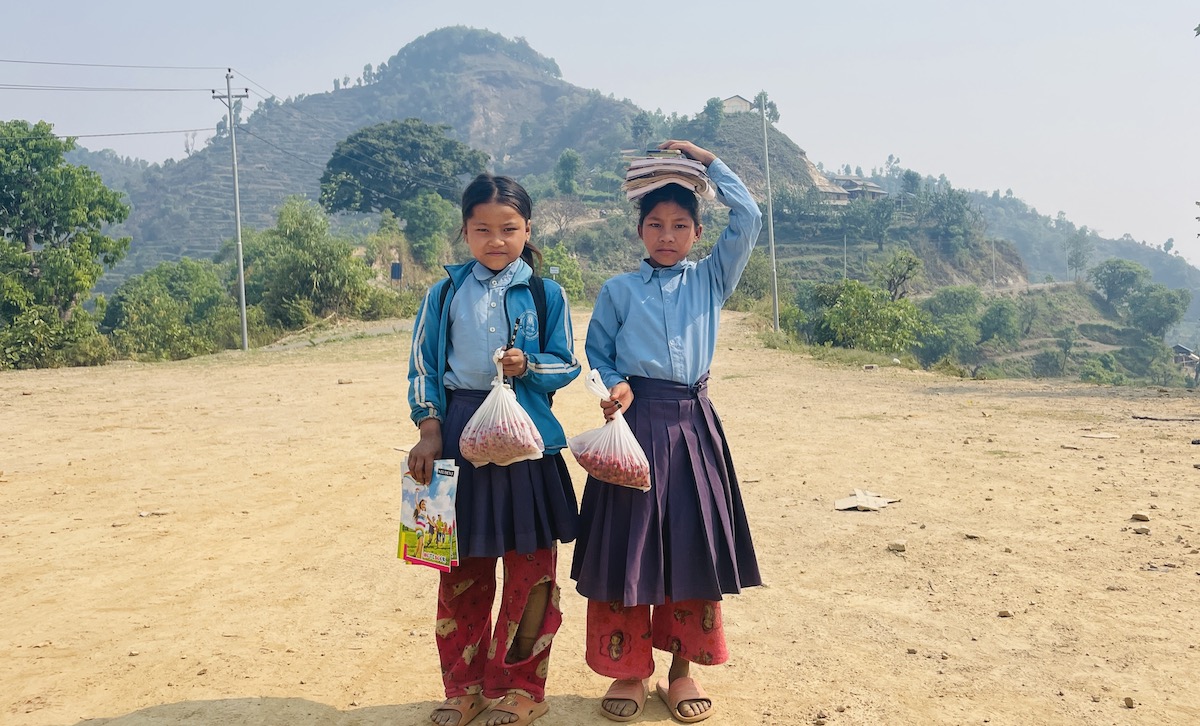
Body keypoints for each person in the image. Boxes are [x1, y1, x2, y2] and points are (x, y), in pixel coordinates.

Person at [570, 140, 764, 723]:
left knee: (689, 546)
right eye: (655, 224)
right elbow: (596, 353)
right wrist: (613, 386)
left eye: (681, 225)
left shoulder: (712, 280)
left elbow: (750, 216)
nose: (667, 235)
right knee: (630, 550)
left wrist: (707, 161)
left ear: (698, 233)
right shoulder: (618, 291)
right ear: (639, 231)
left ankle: (681, 671)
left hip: (692, 428)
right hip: (634, 427)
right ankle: (630, 669)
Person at [407, 173, 581, 726]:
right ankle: (464, 688)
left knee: (533, 574)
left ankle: (524, 686)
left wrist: (528, 367)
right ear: (465, 232)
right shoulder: (444, 294)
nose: (496, 240)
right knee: (461, 572)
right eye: (482, 229)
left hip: (527, 443)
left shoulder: (545, 294)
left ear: (527, 229)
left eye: (508, 229)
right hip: (460, 438)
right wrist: (429, 429)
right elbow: (424, 368)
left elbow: (565, 364)